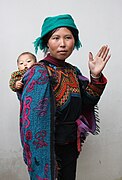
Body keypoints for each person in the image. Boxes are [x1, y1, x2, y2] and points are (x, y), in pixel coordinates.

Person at [19, 14, 111, 180]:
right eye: (56, 38)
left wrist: (95, 77)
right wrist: (42, 155)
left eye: (68, 37)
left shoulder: (73, 71)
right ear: (46, 42)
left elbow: (88, 101)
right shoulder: (39, 72)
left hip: (70, 144)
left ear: (74, 41)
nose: (62, 44)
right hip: (48, 148)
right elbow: (31, 121)